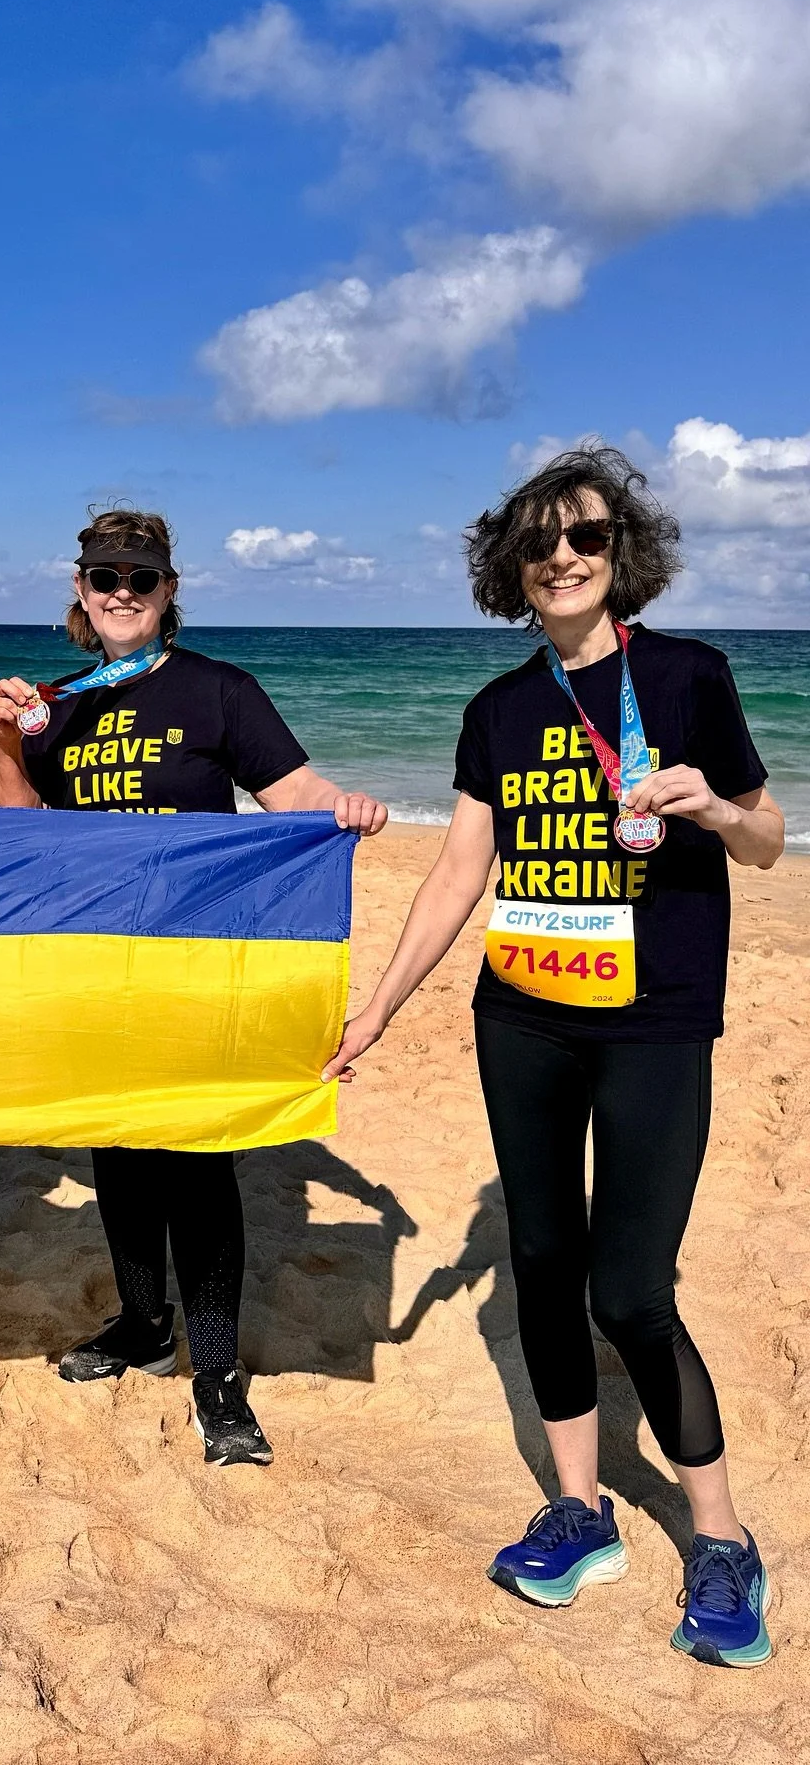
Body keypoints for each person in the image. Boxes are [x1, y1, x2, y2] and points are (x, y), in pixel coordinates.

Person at [324, 446, 784, 1666]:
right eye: (539, 544)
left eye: (584, 536)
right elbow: (460, 873)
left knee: (631, 1288)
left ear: (619, 552)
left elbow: (770, 843)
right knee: (539, 1258)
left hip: (652, 1020)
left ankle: (724, 1538)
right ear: (510, 571)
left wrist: (718, 805)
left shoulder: (687, 677)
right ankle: (580, 1510)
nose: (563, 557)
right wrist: (377, 1008)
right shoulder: (499, 710)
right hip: (520, 1016)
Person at [0, 507, 387, 1468]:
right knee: (118, 1149)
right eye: (104, 576)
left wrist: (350, 809)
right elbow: (24, 830)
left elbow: (294, 798)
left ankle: (215, 1376)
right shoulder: (59, 704)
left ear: (169, 592)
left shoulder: (218, 691)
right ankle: (140, 1324)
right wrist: (3, 740)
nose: (122, 591)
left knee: (197, 1161)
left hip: (198, 967)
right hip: (96, 965)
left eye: (141, 577)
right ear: (80, 591)